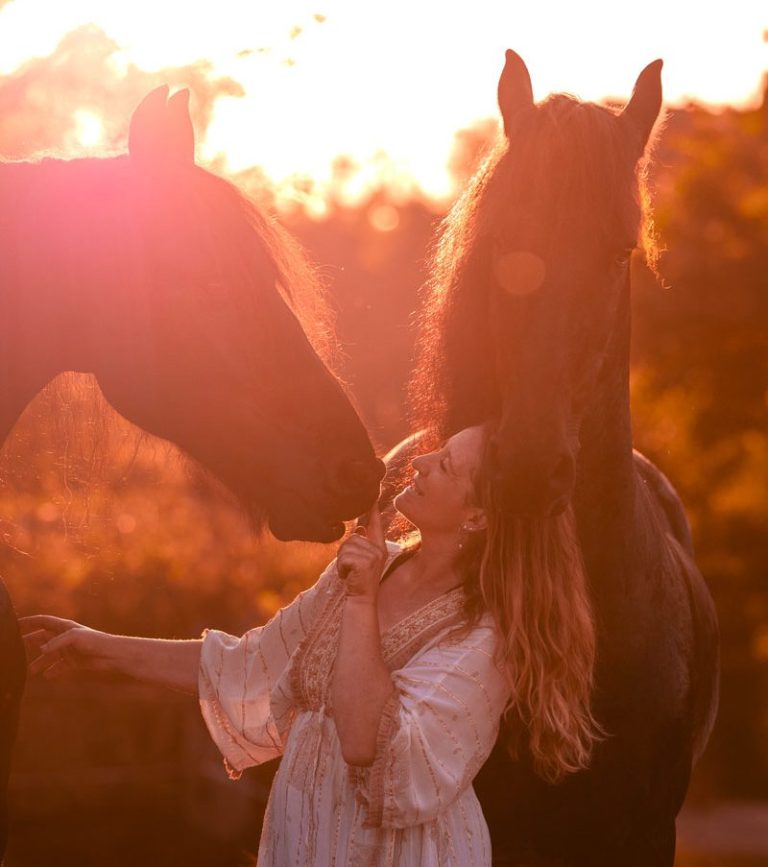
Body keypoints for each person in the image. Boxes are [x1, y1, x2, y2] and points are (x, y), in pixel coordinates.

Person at [20, 424, 602, 866]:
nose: (420, 461)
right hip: (303, 839)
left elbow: (368, 744)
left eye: (446, 465)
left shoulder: (483, 634)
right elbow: (250, 664)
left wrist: (361, 602)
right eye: (435, 450)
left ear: (477, 516)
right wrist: (97, 646)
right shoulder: (375, 570)